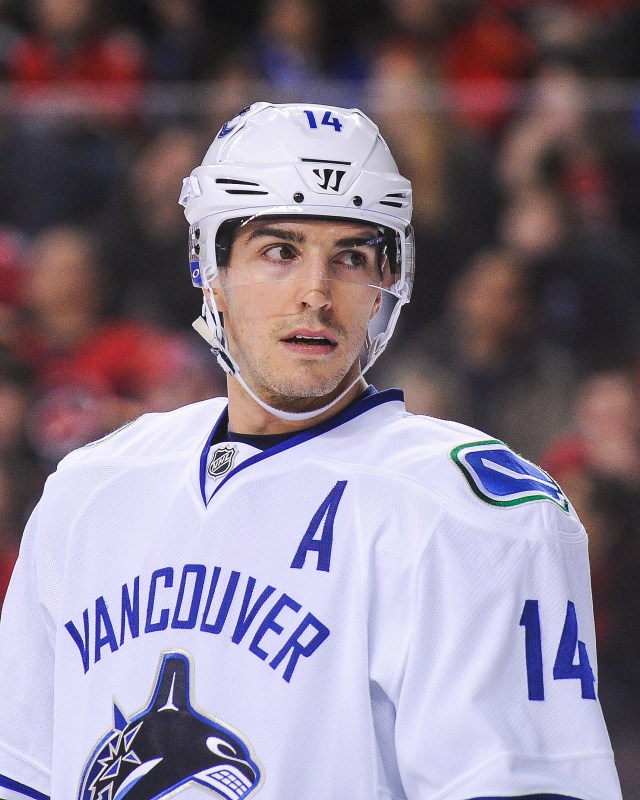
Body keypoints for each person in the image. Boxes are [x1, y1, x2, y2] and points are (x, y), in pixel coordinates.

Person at [0, 102, 621, 800]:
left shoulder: (474, 513)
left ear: (390, 279)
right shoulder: (92, 488)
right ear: (211, 269)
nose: (316, 294)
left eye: (352, 256)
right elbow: (24, 773)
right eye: (280, 251)